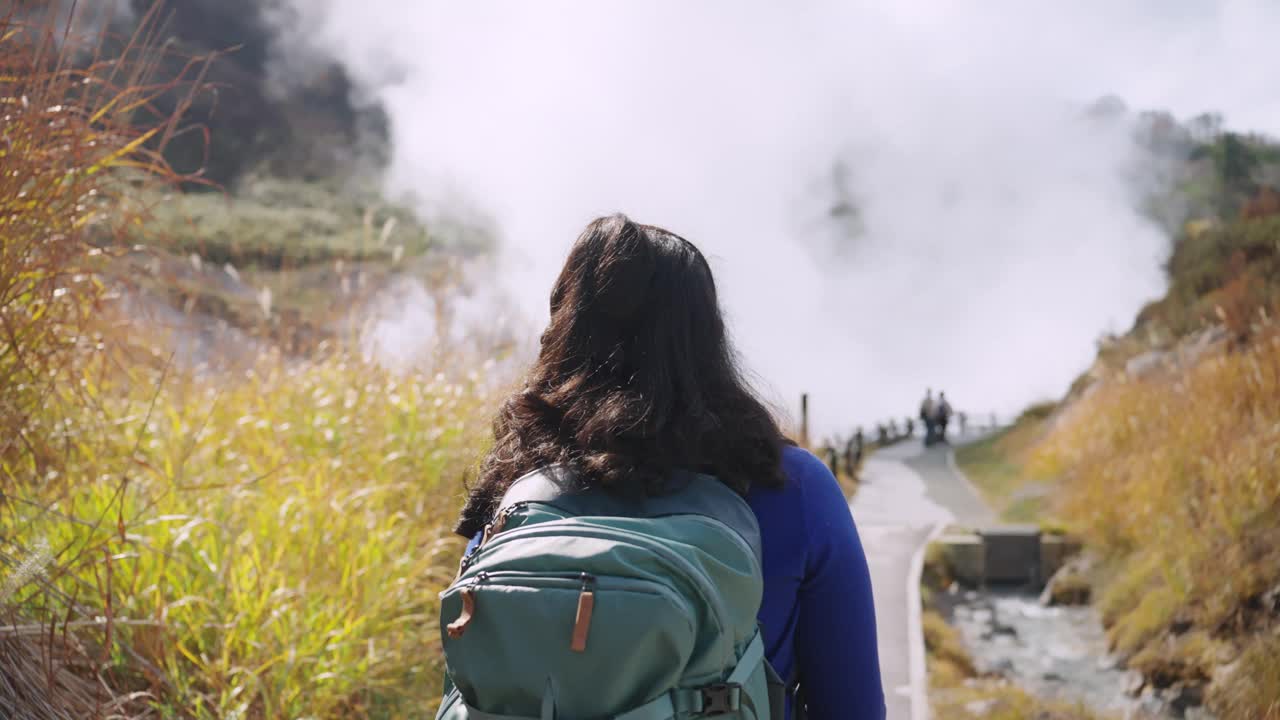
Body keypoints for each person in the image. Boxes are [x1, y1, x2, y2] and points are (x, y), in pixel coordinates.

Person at [449, 215, 885, 720]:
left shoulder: (517, 485)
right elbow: (853, 705)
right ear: (708, 337)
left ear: (565, 326)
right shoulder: (790, 486)